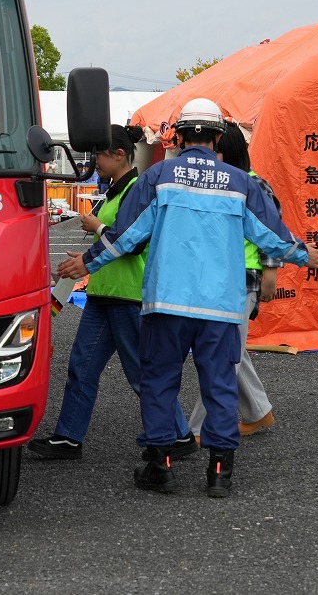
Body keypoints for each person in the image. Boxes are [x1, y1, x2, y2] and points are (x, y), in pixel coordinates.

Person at [57, 98, 318, 498]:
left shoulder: (158, 176)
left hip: (166, 303)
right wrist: (306, 255)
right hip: (221, 305)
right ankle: (219, 474)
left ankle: (160, 466)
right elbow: (272, 236)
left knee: (159, 383)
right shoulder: (241, 182)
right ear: (219, 137)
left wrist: (88, 263)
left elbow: (126, 234)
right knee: (219, 384)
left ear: (178, 136)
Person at [29, 125, 198, 462]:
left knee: (141, 373)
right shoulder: (117, 190)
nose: (93, 163)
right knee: (82, 367)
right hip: (104, 293)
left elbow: (132, 243)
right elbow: (114, 244)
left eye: (98, 156)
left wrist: (97, 228)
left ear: (119, 154)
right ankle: (68, 438)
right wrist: (85, 259)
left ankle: (178, 434)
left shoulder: (138, 188)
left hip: (128, 296)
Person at [187, 123, 278, 443]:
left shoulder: (254, 185)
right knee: (230, 351)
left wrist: (270, 275)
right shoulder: (216, 183)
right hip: (215, 282)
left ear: (227, 151)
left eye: (212, 148)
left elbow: (272, 232)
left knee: (221, 356)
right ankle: (257, 411)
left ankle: (197, 430)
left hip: (243, 281)